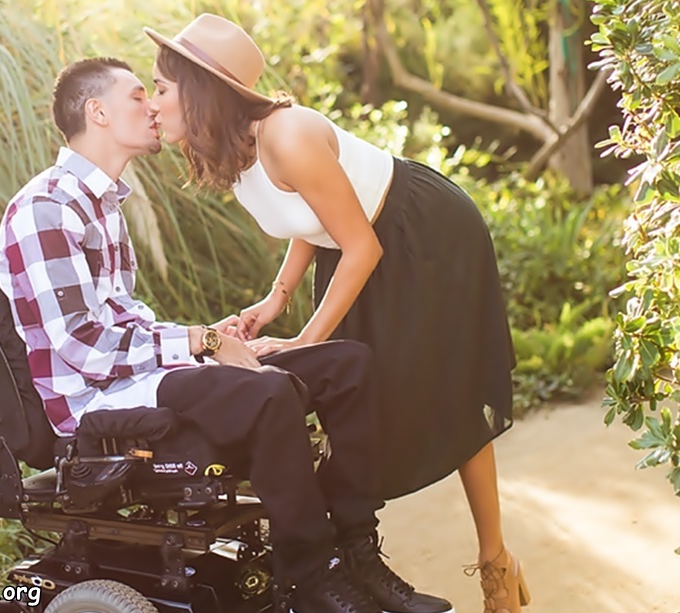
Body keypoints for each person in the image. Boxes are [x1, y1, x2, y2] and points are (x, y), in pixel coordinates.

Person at [0, 57, 454, 613]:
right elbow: (81, 346)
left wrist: (212, 337)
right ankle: (310, 576)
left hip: (138, 377)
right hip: (96, 403)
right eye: (140, 95)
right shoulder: (47, 207)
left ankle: (356, 550)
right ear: (98, 113)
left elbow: (122, 318)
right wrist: (201, 345)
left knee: (346, 365)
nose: (154, 106)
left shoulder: (101, 204)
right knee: (267, 392)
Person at [144, 14, 531, 613]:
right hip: (353, 245)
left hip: (416, 234)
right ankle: (353, 561)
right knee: (364, 390)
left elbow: (362, 243)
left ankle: (494, 562)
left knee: (442, 391)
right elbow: (314, 218)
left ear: (200, 91)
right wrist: (277, 296)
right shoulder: (233, 149)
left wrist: (301, 340)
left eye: (162, 89)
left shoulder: (288, 135)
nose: (154, 103)